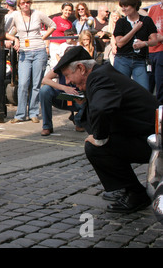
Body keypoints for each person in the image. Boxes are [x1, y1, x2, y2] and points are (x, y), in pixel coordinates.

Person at [53, 45, 159, 213]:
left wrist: (99, 138)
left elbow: (102, 109)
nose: (67, 82)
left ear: (81, 68)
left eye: (68, 75)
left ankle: (135, 193)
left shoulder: (99, 77)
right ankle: (128, 189)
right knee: (100, 142)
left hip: (152, 141)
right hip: (148, 136)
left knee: (95, 147)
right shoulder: (102, 74)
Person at [9, 0, 56, 124]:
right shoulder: (15, 16)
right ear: (19, 4)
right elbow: (4, 31)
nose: (26, 5)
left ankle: (33, 112)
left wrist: (43, 38)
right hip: (24, 52)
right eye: (23, 3)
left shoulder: (38, 14)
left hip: (39, 51)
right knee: (23, 83)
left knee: (36, 84)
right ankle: (20, 114)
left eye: (28, 2)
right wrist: (14, 39)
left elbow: (53, 25)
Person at [113, 0, 158, 91]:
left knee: (143, 90)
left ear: (134, 5)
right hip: (122, 59)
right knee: (120, 90)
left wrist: (144, 43)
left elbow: (154, 41)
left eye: (126, 6)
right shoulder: (121, 22)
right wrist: (134, 30)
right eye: (122, 6)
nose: (123, 9)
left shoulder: (146, 21)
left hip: (140, 60)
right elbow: (119, 43)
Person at [39, 52, 85, 136]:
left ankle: (78, 120)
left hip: (78, 98)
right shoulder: (61, 66)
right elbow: (45, 80)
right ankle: (47, 126)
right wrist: (64, 88)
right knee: (45, 90)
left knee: (89, 102)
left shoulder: (81, 67)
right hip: (62, 97)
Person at [148, 0, 163, 103]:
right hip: (150, 49)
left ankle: (159, 107)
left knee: (160, 82)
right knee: (148, 82)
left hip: (161, 50)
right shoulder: (153, 9)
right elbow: (147, 26)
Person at [49, 2, 74, 70]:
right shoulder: (56, 19)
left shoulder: (70, 23)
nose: (67, 12)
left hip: (64, 46)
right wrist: (46, 46)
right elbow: (48, 31)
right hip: (55, 45)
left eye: (69, 10)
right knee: (54, 65)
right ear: (62, 10)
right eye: (66, 10)